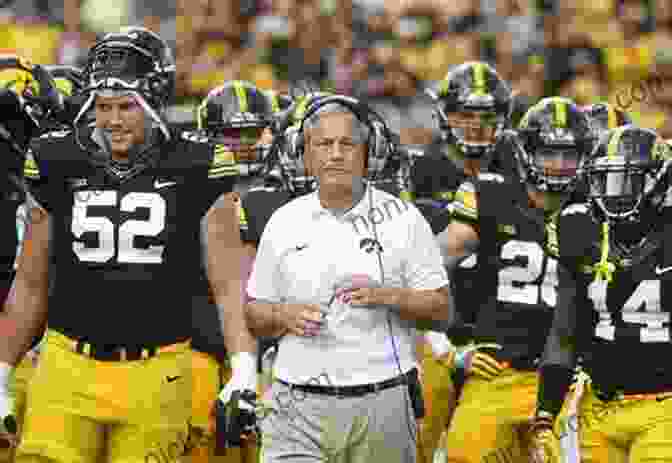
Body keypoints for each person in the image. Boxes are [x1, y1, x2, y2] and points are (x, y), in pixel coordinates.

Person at [0, 26, 257, 462]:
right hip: (66, 366)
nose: (113, 120)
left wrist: (244, 368)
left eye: (126, 106)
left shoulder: (198, 162)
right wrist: (2, 371)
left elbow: (228, 284)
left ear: (155, 101)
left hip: (159, 372)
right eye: (102, 107)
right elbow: (30, 283)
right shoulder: (55, 158)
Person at [246, 94, 452, 463]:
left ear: (367, 152)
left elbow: (440, 311)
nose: (336, 154)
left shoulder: (404, 219)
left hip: (382, 402)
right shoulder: (283, 221)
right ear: (304, 153)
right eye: (324, 144)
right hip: (296, 406)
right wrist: (283, 316)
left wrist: (390, 296)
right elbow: (254, 315)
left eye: (347, 144)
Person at [438, 96, 594, 463]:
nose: (558, 166)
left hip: (571, 380)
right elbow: (428, 266)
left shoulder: (601, 204)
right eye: (547, 154)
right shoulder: (489, 193)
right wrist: (449, 350)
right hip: (498, 372)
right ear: (526, 152)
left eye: (568, 154)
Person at [532, 126, 672, 463]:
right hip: (599, 406)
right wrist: (545, 414)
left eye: (626, 182)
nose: (613, 194)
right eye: (605, 181)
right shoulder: (579, 229)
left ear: (658, 183)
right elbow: (566, 329)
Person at [409, 61, 517, 463]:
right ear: (444, 115)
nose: (474, 125)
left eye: (486, 116)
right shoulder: (421, 170)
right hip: (434, 335)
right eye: (464, 114)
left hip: (500, 340)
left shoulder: (518, 168)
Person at [190, 79, 275, 463]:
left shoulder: (288, 193)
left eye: (251, 133)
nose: (242, 144)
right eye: (230, 134)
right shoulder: (188, 188)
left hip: (272, 347)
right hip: (200, 341)